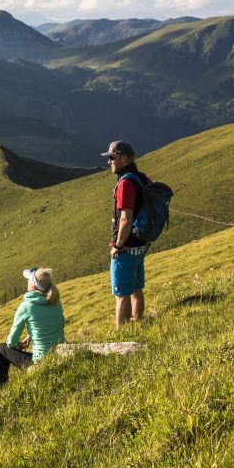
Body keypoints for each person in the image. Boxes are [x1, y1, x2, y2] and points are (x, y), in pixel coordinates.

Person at [102, 140, 151, 328]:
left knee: (121, 295)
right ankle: (138, 322)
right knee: (136, 288)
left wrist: (118, 246)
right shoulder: (141, 177)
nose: (109, 162)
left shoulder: (125, 184)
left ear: (123, 158)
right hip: (140, 244)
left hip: (127, 247)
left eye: (112, 157)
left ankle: (122, 333)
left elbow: (125, 219)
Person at [0, 267, 65, 389]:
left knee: (0, 349)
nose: (27, 281)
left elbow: (11, 342)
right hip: (59, 355)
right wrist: (31, 335)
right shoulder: (56, 302)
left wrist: (19, 344)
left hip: (40, 361)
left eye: (29, 279)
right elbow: (59, 324)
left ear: (34, 285)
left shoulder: (26, 306)